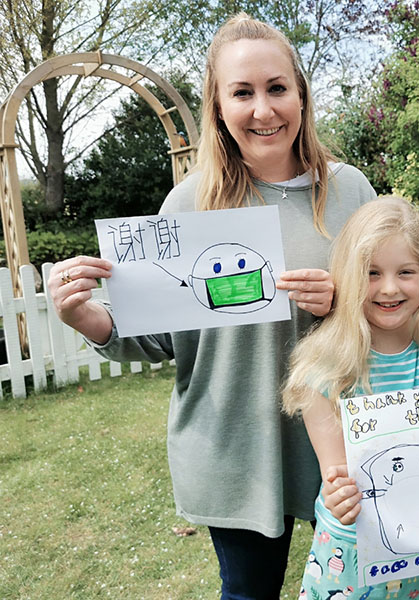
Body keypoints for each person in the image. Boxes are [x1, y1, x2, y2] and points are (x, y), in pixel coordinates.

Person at [46, 14, 376, 600]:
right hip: (233, 448)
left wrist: (344, 305)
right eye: (242, 92)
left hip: (342, 442)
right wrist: (84, 317)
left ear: (301, 93)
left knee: (360, 588)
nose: (264, 109)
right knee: (248, 592)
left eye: (277, 88)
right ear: (218, 106)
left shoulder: (351, 191)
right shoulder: (188, 204)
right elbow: (157, 337)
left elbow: (394, 303)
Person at [282, 196, 419, 599]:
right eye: (371, 273)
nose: (389, 288)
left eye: (405, 272)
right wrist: (338, 496)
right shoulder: (325, 368)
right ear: (348, 277)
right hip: (346, 563)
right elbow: (337, 477)